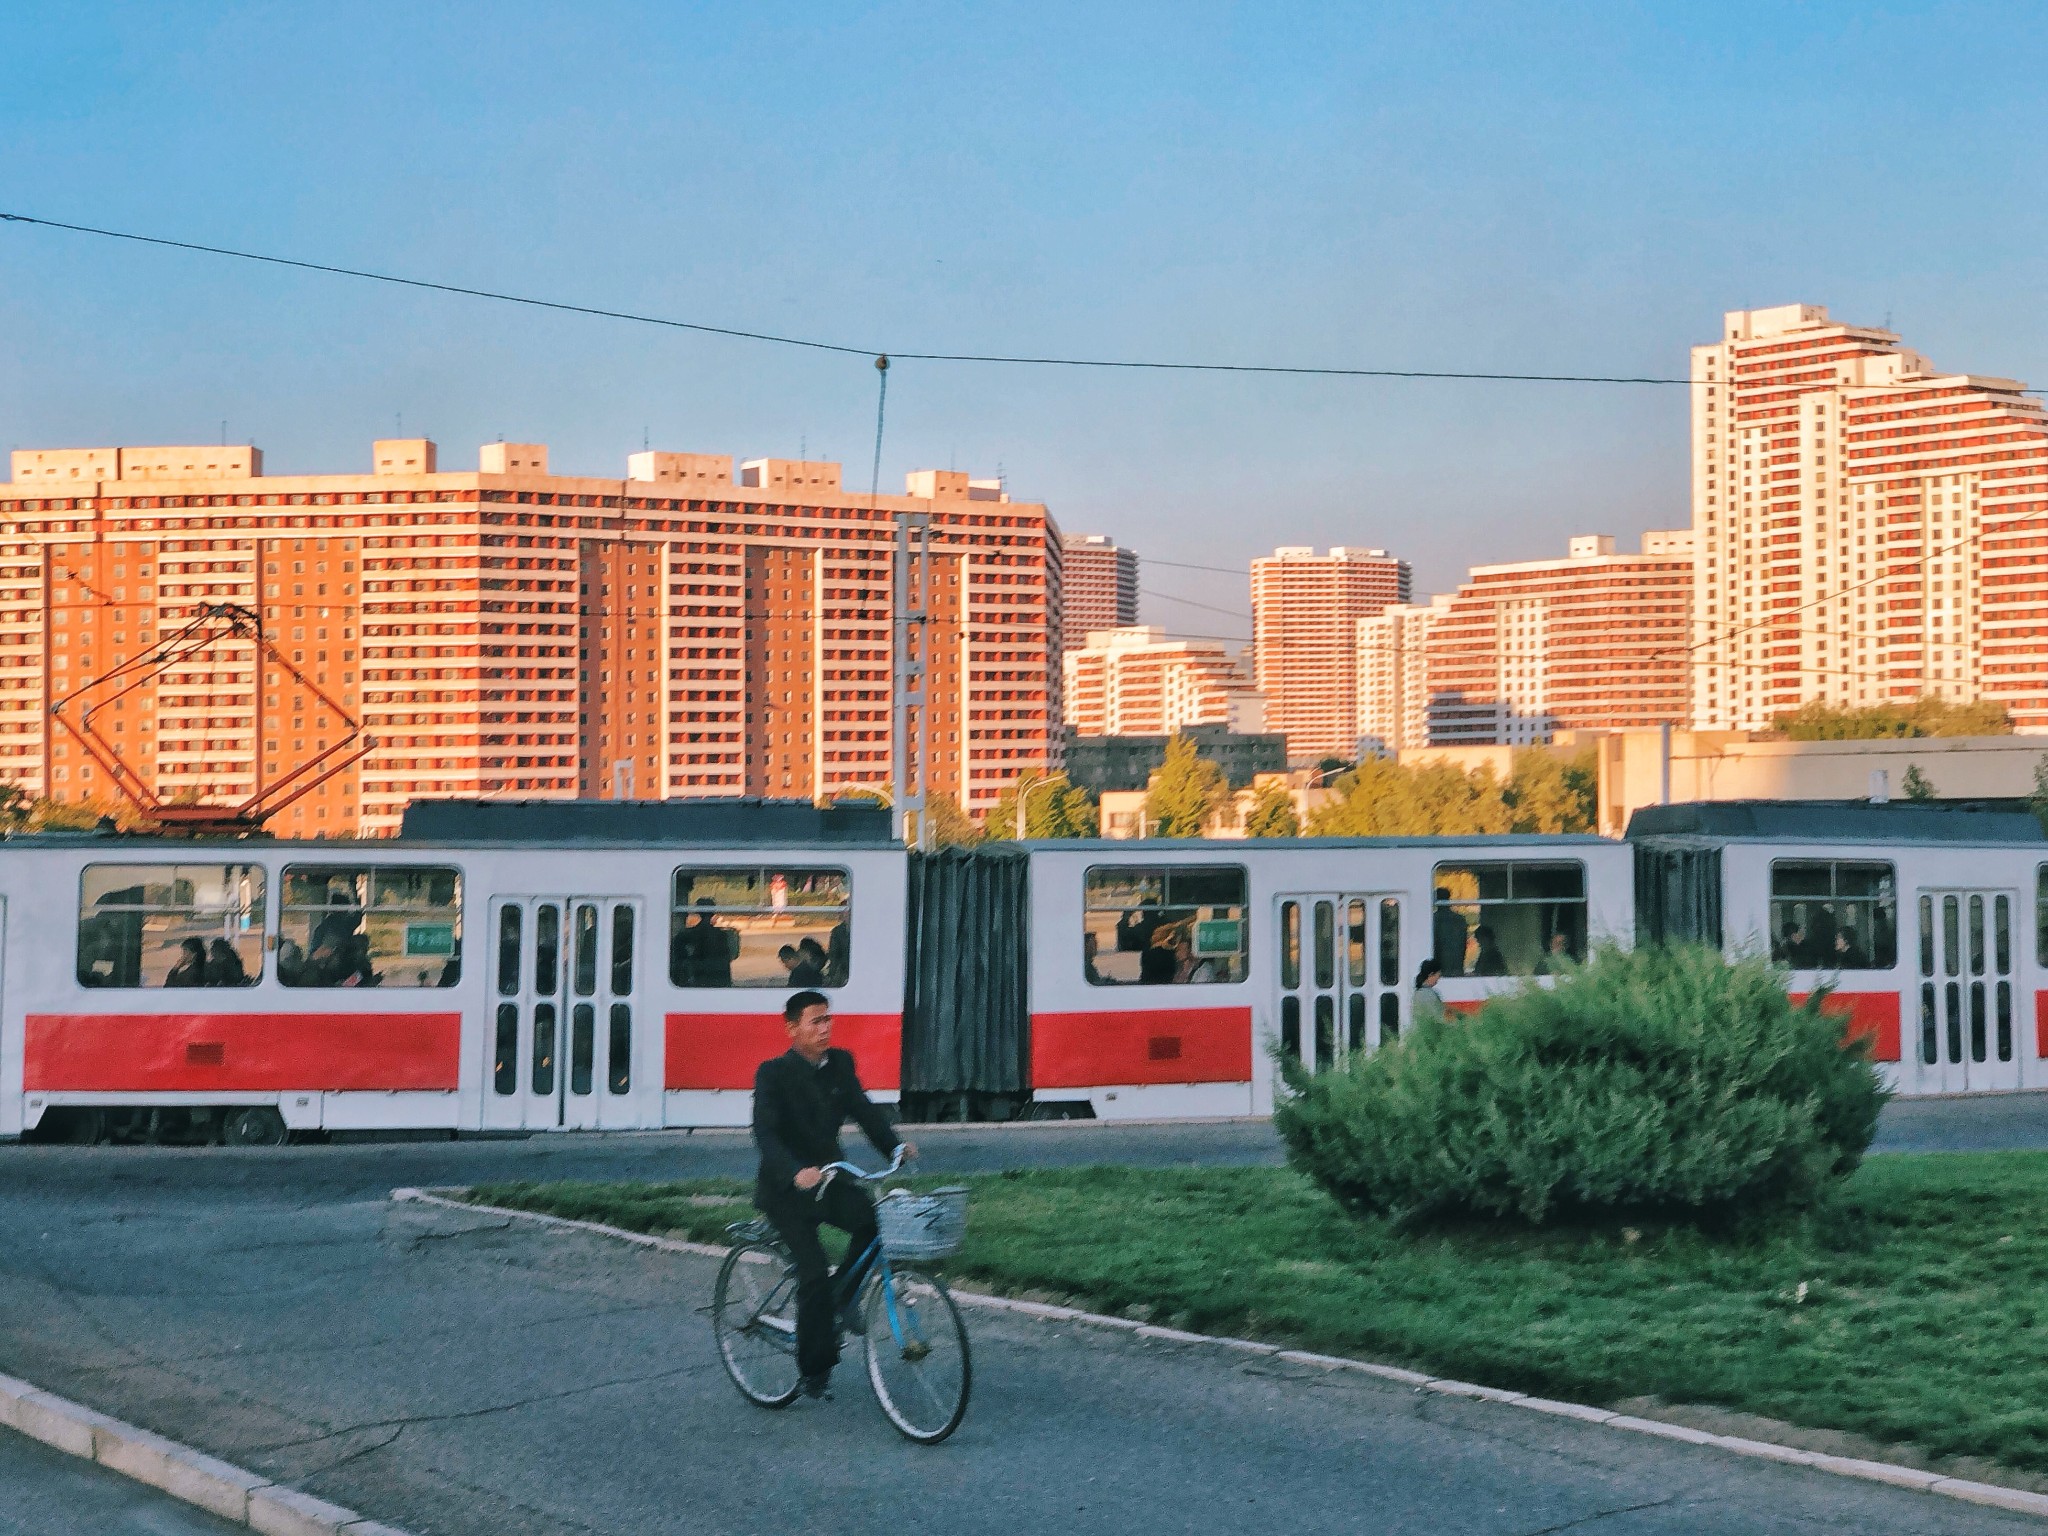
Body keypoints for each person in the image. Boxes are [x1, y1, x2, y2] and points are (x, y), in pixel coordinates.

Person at [753, 990, 915, 1401]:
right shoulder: (772, 1073)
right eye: (814, 1021)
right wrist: (794, 1172)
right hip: (787, 1191)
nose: (825, 1028)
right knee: (812, 1272)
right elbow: (766, 1135)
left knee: (875, 1222)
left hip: (829, 1180)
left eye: (828, 1019)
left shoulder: (840, 1064)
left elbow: (863, 1111)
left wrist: (893, 1147)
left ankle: (840, 1298)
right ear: (792, 1029)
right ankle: (814, 1368)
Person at [685, 899, 736, 987]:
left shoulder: (691, 934)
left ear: (698, 912)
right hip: (719, 978)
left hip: (701, 977)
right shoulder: (722, 935)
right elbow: (729, 956)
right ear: (713, 911)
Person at [1431, 890, 1469, 978]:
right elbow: (1463, 943)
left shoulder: (1433, 919)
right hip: (1457, 964)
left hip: (1439, 965)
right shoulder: (1459, 919)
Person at [1412, 960, 1446, 1025]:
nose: (1438, 979)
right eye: (1438, 976)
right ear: (1431, 975)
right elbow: (1438, 1018)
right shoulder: (1429, 994)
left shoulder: (1418, 992)